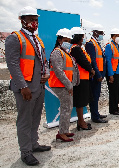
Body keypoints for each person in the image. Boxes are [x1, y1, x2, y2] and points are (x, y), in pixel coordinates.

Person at [5, 6, 50, 166]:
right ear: (22, 20)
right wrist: (22, 86)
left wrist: (47, 73)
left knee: (35, 117)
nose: (34, 22)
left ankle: (33, 144)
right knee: (24, 120)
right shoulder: (15, 38)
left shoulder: (37, 40)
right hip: (25, 87)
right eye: (31, 19)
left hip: (39, 85)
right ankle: (25, 152)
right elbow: (12, 64)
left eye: (35, 19)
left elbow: (43, 61)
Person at [49, 28, 79, 142]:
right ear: (60, 39)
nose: (68, 42)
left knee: (67, 107)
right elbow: (59, 71)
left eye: (69, 40)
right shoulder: (57, 52)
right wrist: (69, 85)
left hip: (65, 84)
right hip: (60, 85)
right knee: (66, 107)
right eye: (66, 40)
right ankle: (61, 133)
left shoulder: (65, 52)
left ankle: (64, 130)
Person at [70, 27, 95, 130]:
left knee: (83, 100)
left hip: (84, 77)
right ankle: (80, 122)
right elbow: (83, 61)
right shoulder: (75, 48)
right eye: (82, 37)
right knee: (80, 101)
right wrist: (91, 70)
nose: (83, 39)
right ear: (78, 38)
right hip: (80, 78)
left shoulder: (79, 48)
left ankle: (81, 121)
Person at [85, 24, 107, 123]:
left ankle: (96, 113)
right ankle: (94, 116)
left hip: (99, 73)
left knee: (97, 95)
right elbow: (93, 61)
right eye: (101, 33)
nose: (102, 35)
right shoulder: (90, 44)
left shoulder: (97, 43)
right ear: (95, 33)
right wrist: (98, 74)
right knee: (94, 95)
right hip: (95, 75)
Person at [105, 28, 119, 115]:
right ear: (113, 37)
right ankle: (112, 109)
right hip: (113, 72)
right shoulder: (109, 46)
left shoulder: (118, 46)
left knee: (118, 91)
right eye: (117, 36)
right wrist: (110, 75)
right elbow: (108, 61)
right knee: (113, 91)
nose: (118, 38)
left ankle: (116, 107)